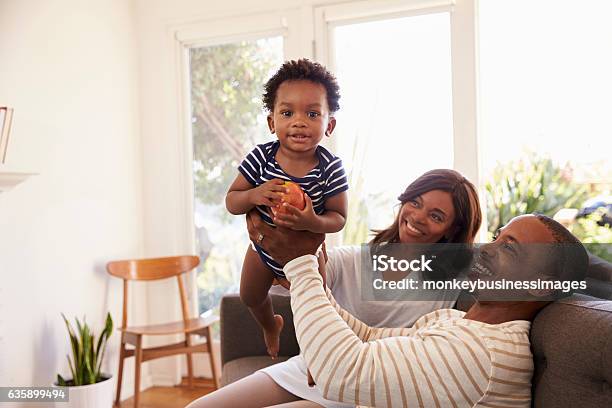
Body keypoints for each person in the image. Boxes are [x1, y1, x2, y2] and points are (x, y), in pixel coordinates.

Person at [189, 169, 482, 408]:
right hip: (311, 368)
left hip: (359, 389)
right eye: (416, 202)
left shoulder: (451, 281)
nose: (418, 216)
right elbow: (287, 272)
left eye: (436, 216)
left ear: (452, 231)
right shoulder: (352, 260)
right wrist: (265, 234)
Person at [245, 213, 588, 408]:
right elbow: (369, 337)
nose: (485, 250)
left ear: (540, 285)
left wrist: (300, 267)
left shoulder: (483, 354)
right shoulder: (458, 322)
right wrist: (313, 287)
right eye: (496, 238)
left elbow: (343, 371)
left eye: (509, 249)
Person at [225, 59, 349, 359]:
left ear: (328, 125)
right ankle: (271, 325)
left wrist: (311, 220)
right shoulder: (261, 158)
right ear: (272, 122)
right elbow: (232, 200)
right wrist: (254, 194)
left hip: (307, 256)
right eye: (287, 112)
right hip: (262, 251)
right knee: (250, 295)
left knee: (315, 311)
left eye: (312, 113)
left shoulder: (330, 168)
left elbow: (339, 218)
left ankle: (317, 358)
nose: (299, 121)